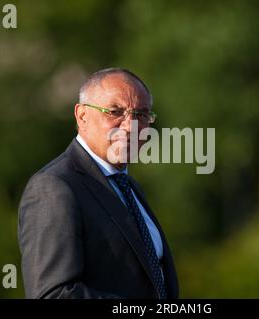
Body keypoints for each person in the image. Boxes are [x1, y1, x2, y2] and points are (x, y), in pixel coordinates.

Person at [18, 68, 178, 299]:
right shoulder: (54, 188)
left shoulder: (129, 187)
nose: (130, 126)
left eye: (141, 115)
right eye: (115, 112)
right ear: (82, 116)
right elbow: (52, 295)